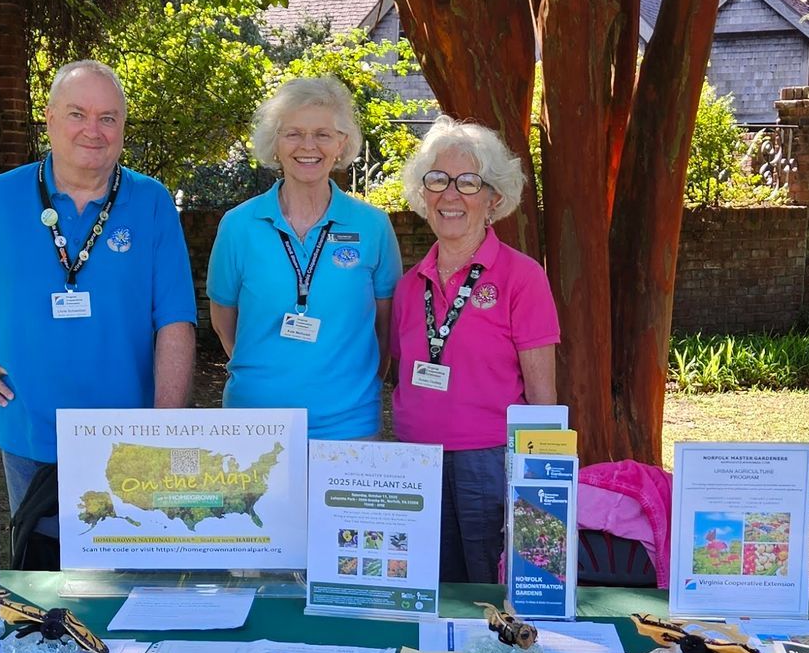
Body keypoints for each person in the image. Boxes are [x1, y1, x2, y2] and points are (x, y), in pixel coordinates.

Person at [0, 60, 198, 527]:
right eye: (78, 114)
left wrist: (164, 431)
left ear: (123, 126)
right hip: (31, 434)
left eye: (108, 118)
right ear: (50, 118)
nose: (93, 130)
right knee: (40, 567)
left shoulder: (151, 202)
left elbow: (175, 320)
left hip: (129, 440)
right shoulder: (0, 199)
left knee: (125, 565)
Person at [390, 119, 560, 586]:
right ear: (423, 193)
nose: (450, 194)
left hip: (488, 462)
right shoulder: (409, 286)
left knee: (489, 588)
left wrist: (539, 483)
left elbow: (543, 396)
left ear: (493, 199)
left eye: (468, 182)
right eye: (438, 180)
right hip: (415, 461)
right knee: (428, 589)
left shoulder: (522, 277)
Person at [206, 74, 401, 440]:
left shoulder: (373, 226)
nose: (308, 146)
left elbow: (386, 328)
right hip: (254, 424)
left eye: (323, 134)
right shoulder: (238, 226)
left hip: (349, 426)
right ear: (275, 143)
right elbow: (223, 321)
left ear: (342, 143)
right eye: (293, 133)